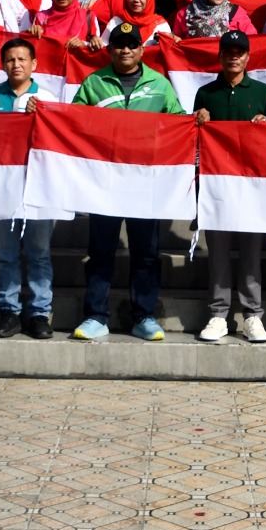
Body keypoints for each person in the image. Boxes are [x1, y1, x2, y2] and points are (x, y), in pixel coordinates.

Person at [69, 22, 185, 341]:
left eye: (131, 44)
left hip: (145, 184)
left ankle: (144, 316)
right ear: (110, 50)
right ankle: (95, 316)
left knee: (146, 253)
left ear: (141, 50)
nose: (125, 49)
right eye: (119, 44)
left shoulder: (160, 85)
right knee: (101, 251)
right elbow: (72, 123)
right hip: (104, 184)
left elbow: (178, 125)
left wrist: (195, 121)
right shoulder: (94, 83)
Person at [193, 30, 266, 344]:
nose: (234, 56)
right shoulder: (206, 93)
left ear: (248, 56)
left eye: (239, 51)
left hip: (252, 187)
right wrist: (197, 119)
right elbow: (195, 140)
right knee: (217, 252)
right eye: (228, 50)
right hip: (217, 185)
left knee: (252, 253)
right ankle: (218, 314)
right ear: (220, 55)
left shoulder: (263, 92)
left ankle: (252, 315)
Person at [0, 38, 55, 341]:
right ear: (3, 64)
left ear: (34, 64)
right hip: (3, 188)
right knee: (6, 253)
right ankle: (9, 311)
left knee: (39, 253)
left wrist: (45, 115)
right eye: (10, 60)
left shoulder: (48, 97)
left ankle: (39, 313)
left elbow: (59, 138)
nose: (16, 65)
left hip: (38, 188)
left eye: (22, 59)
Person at [33, 0, 99, 47]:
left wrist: (84, 44)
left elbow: (96, 48)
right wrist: (33, 32)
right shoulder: (41, 18)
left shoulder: (88, 17)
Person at [101, 0, 171, 45]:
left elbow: (167, 51)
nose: (136, 0)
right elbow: (103, 49)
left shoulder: (160, 25)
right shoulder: (116, 21)